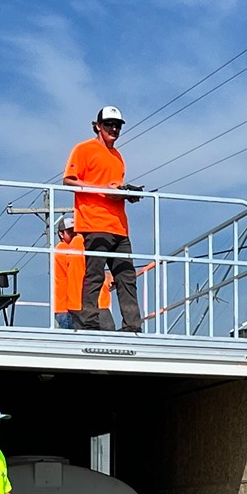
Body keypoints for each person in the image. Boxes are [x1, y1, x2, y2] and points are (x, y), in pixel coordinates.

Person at [63, 105, 143, 332]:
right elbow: (68, 181)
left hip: (119, 226)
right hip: (94, 223)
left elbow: (113, 187)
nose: (114, 129)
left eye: (117, 125)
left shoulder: (118, 157)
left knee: (127, 277)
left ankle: (132, 327)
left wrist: (127, 194)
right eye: (109, 124)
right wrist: (104, 189)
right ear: (98, 126)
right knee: (94, 275)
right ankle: (88, 324)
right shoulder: (84, 149)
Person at [52, 212, 112, 330]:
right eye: (70, 232)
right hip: (70, 307)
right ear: (61, 234)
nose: (74, 234)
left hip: (68, 306)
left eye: (76, 231)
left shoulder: (65, 248)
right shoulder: (67, 248)